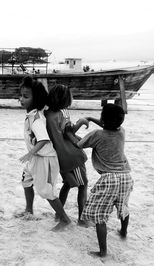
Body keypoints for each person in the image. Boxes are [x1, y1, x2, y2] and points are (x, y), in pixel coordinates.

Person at [77, 104, 133, 257]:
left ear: (102, 119)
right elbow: (108, 124)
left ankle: (103, 252)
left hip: (109, 178)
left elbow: (79, 144)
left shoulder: (97, 135)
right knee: (123, 206)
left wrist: (70, 131)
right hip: (126, 176)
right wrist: (92, 119)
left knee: (99, 216)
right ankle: (123, 232)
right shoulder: (122, 132)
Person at [18, 76, 71, 231]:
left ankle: (65, 219)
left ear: (36, 99)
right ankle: (29, 210)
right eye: (20, 95)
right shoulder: (35, 112)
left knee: (46, 191)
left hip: (44, 159)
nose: (21, 99)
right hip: (35, 157)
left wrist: (30, 153)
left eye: (25, 96)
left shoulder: (35, 119)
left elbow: (44, 140)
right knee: (26, 181)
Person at [45, 84, 89, 226]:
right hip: (71, 156)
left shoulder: (48, 114)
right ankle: (82, 219)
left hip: (59, 157)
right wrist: (81, 122)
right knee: (83, 185)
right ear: (64, 99)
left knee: (68, 184)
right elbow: (69, 132)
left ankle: (59, 215)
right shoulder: (60, 115)